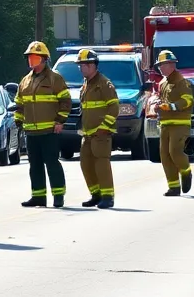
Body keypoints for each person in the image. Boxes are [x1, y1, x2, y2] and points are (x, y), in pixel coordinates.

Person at [15, 41, 71, 208]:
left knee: (52, 164)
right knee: (35, 166)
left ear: (44, 59)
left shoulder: (55, 79)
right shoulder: (25, 81)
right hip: (31, 132)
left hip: (49, 131)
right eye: (29, 57)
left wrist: (60, 121)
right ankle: (38, 196)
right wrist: (18, 120)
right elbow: (20, 103)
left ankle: (58, 195)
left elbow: (65, 101)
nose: (31, 60)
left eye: (35, 57)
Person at [76, 48, 118, 209]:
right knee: (85, 164)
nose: (81, 68)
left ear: (93, 65)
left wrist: (104, 127)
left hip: (101, 133)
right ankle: (96, 194)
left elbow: (114, 108)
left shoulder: (104, 84)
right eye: (80, 65)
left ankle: (108, 196)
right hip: (87, 134)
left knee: (101, 164)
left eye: (84, 65)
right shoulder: (86, 84)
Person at [154, 50, 194, 196]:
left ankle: (186, 171)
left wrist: (172, 106)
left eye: (163, 65)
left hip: (180, 123)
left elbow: (188, 100)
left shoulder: (181, 82)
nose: (160, 68)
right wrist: (158, 105)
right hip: (165, 123)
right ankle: (174, 187)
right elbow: (161, 99)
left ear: (171, 64)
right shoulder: (163, 83)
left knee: (175, 151)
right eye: (159, 65)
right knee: (165, 155)